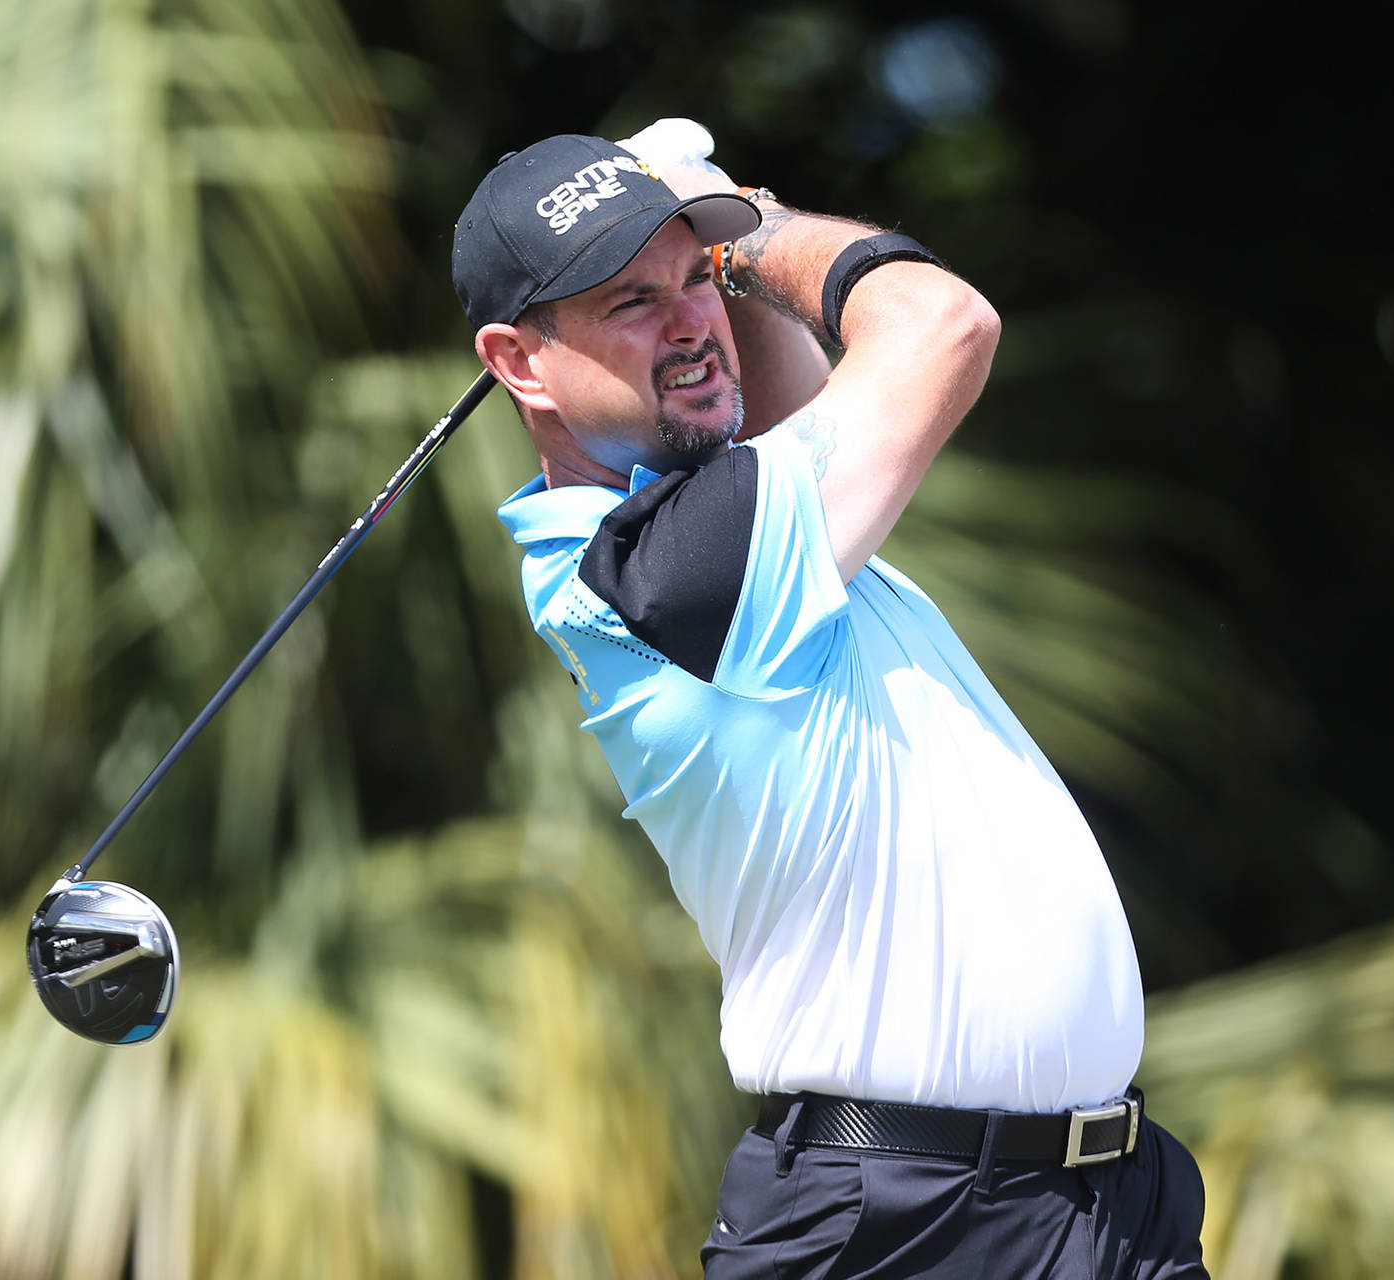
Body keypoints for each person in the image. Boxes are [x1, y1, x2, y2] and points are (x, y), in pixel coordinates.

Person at [452, 124, 1209, 1279]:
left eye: (691, 279)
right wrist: (744, 222)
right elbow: (940, 323)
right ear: (518, 361)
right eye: (628, 301)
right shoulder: (660, 585)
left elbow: (783, 387)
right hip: (902, 1227)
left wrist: (720, 265)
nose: (690, 321)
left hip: (1109, 1209)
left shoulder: (738, 516)